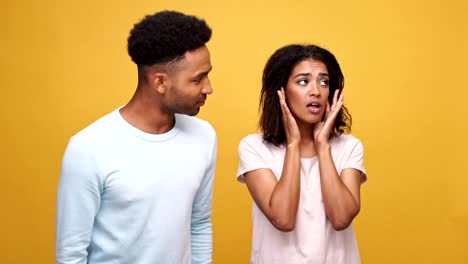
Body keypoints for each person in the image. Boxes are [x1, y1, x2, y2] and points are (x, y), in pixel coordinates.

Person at [56, 10, 216, 264]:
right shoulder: (89, 148)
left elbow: (199, 223)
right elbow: (71, 253)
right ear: (160, 82)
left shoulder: (204, 136)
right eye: (198, 79)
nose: (208, 88)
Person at [237, 44, 367, 263]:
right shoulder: (254, 147)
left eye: (324, 81)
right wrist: (293, 145)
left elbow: (341, 218)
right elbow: (283, 219)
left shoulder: (349, 147)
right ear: (281, 91)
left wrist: (323, 146)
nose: (316, 91)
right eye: (303, 81)